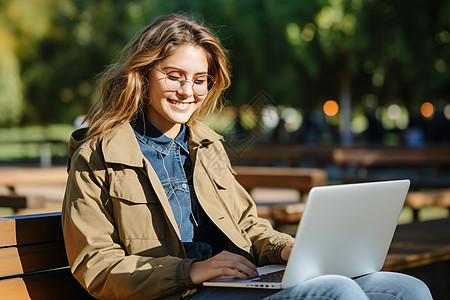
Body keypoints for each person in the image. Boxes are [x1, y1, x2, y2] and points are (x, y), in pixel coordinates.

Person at [62, 14, 433, 300]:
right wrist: (193, 270)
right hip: (177, 291)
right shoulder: (97, 155)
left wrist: (286, 249)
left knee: (406, 289)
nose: (188, 91)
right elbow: (98, 266)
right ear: (142, 75)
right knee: (336, 293)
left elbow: (247, 225)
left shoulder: (206, 144)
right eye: (174, 76)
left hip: (240, 282)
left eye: (200, 79)